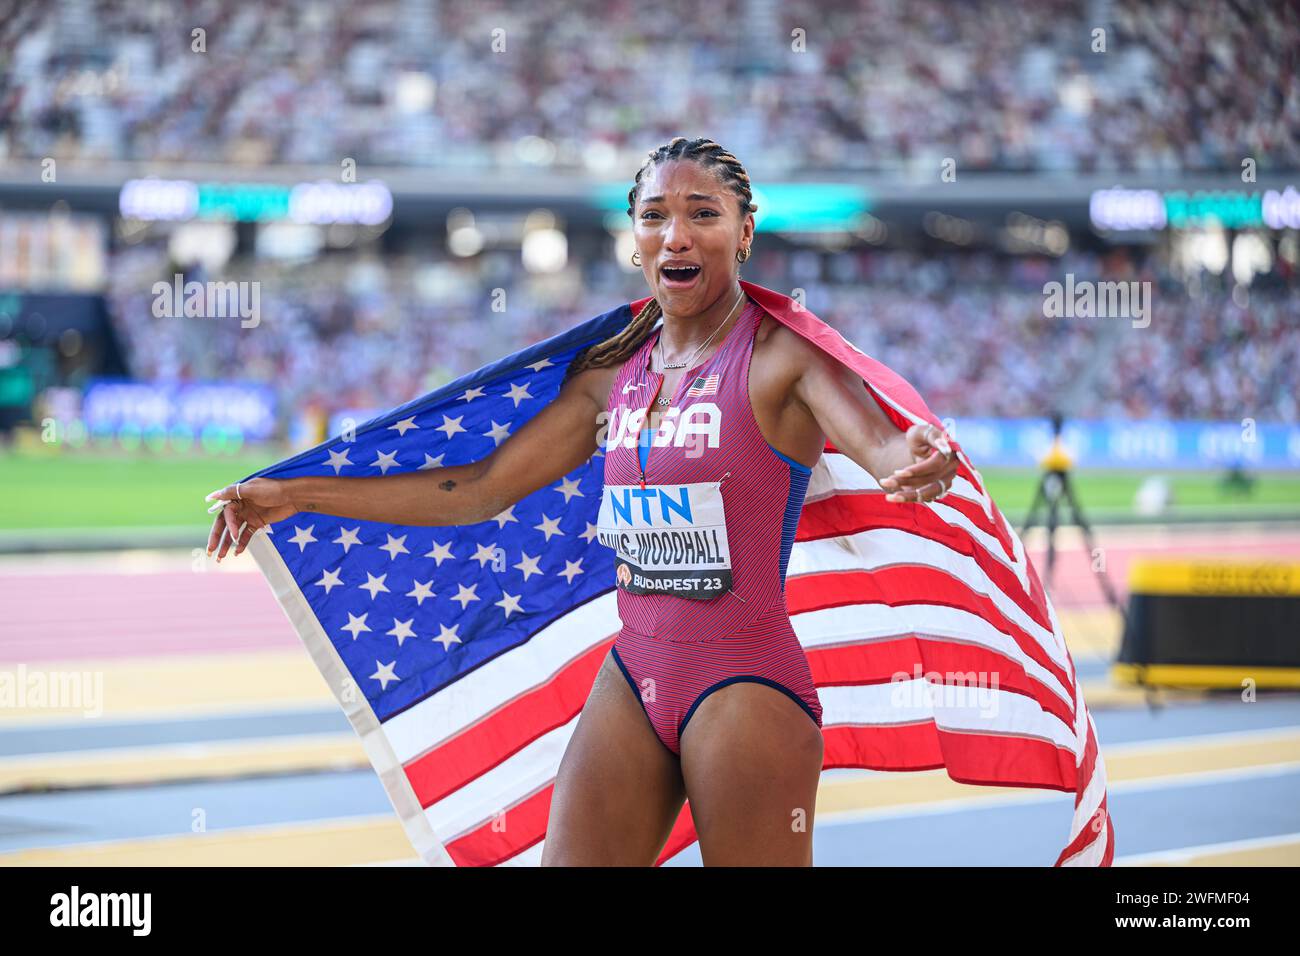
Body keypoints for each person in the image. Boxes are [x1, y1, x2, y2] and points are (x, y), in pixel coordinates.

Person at [206, 137, 959, 865]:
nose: (677, 234)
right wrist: (292, 495)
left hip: (744, 681)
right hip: (635, 672)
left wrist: (916, 459)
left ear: (745, 232)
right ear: (634, 237)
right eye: (655, 215)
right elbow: (479, 489)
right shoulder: (614, 371)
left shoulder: (783, 358)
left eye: (704, 213)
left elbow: (884, 446)